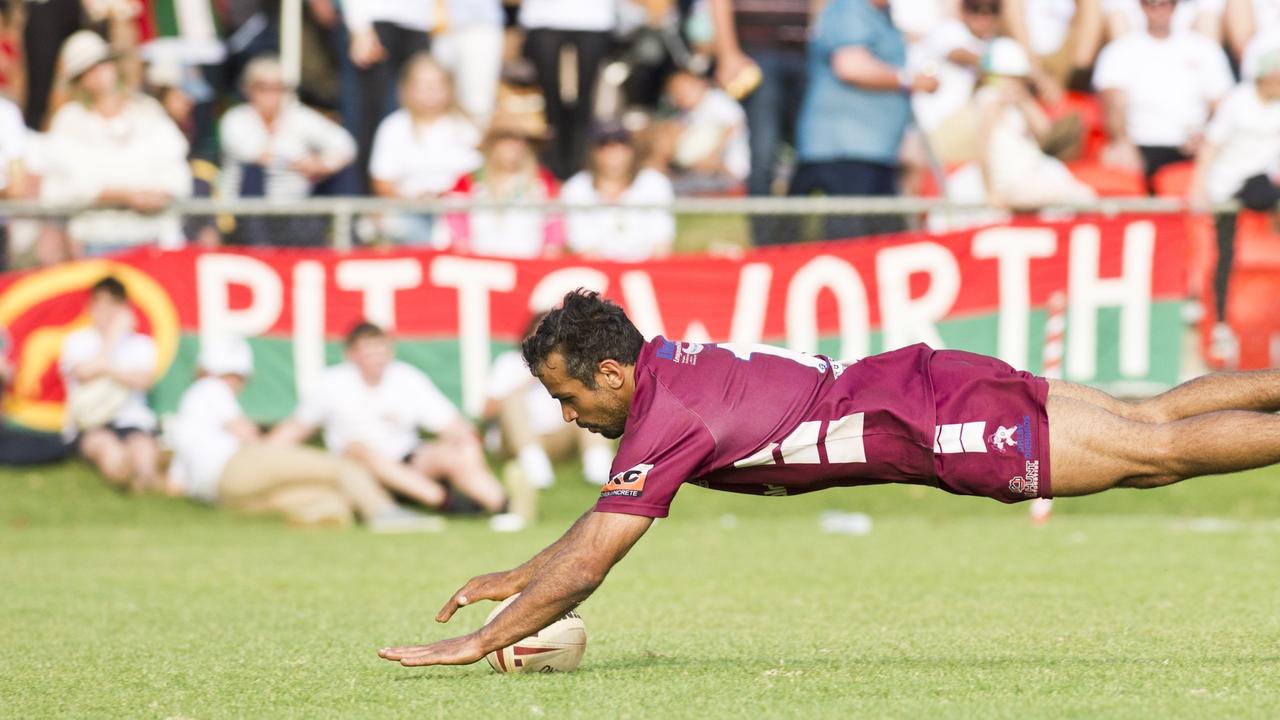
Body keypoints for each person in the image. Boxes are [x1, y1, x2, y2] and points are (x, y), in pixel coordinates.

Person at [378, 288, 1280, 666]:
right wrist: (517, 575)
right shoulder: (667, 366)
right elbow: (594, 525)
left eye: (568, 396)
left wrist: (472, 643)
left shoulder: (666, 416)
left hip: (939, 427)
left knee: (1157, 454)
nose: (568, 415)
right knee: (1153, 421)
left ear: (610, 374)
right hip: (932, 379)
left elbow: (594, 561)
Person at [168, 336, 442, 531]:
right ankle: (383, 513)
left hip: (216, 492)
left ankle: (331, 514)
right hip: (235, 464)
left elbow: (175, 483)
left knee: (329, 498)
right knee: (341, 467)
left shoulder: (187, 413)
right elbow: (247, 435)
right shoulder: (211, 389)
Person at [268, 322, 508, 519]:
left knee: (458, 447)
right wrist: (261, 452)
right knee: (358, 448)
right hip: (359, 470)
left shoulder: (407, 378)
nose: (376, 357)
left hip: (410, 462)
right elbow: (297, 427)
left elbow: (452, 425)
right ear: (351, 354)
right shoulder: (332, 383)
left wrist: (467, 443)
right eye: (368, 350)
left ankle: (502, 505)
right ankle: (446, 502)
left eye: (380, 349)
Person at [790, 0, 938, 240]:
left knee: (884, 247)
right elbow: (850, 66)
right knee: (847, 246)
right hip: (844, 153)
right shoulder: (849, 8)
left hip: (874, 154)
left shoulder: (880, 15)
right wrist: (909, 80)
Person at [41, 31, 192, 255]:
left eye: (102, 64)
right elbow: (63, 188)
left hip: (153, 237)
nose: (99, 74)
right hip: (99, 240)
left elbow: (176, 172)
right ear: (79, 81)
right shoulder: (70, 122)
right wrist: (122, 196)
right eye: (89, 70)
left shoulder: (146, 111)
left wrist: (159, 194)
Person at [1190, 49, 1280, 369]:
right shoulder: (1238, 102)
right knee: (1223, 255)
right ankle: (1221, 323)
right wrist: (1199, 186)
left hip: (1262, 181)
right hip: (1230, 184)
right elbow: (1212, 145)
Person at [1093, 0, 1234, 193]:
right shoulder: (1120, 50)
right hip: (1141, 144)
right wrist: (1122, 141)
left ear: (1175, 6)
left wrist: (1207, 137)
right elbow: (1113, 104)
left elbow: (1223, 106)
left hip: (1192, 145)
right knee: (1115, 159)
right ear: (1141, 7)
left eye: (1164, 4)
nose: (1158, 11)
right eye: (1151, 5)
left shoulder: (1204, 48)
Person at [220, 55, 356, 247]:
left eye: (278, 88)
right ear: (248, 89)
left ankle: (346, 240)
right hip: (247, 213)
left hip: (296, 211)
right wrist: (299, 162)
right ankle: (259, 249)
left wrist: (322, 164)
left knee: (342, 172)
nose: (271, 95)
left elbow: (345, 144)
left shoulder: (298, 116)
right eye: (264, 87)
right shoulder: (235, 119)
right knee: (253, 172)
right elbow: (257, 154)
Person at [708, 0, 812, 245]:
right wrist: (728, 52)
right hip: (757, 52)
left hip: (801, 51)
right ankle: (766, 245)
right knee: (763, 155)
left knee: (807, 155)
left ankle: (792, 239)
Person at [482, 313, 615, 492]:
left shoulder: (570, 364)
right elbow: (487, 412)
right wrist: (532, 377)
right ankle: (536, 471)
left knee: (590, 397)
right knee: (511, 400)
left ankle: (599, 469)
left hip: (558, 437)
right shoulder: (509, 363)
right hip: (515, 440)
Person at [58, 276, 161, 492]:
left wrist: (105, 368)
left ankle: (147, 484)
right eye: (100, 303)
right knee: (109, 450)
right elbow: (83, 374)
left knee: (143, 451)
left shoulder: (142, 344)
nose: (105, 311)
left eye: (112, 304)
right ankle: (127, 482)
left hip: (132, 422)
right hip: (91, 424)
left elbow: (144, 381)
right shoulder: (76, 341)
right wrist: (113, 338)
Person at [369, 53, 482, 245]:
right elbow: (381, 181)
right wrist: (414, 199)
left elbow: (479, 175)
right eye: (422, 85)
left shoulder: (465, 126)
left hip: (457, 212)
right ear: (407, 88)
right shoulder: (394, 126)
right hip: (407, 212)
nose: (430, 91)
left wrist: (446, 195)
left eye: (437, 84)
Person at [971, 38, 1096, 209]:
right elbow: (982, 147)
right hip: (1011, 182)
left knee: (1079, 194)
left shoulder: (1019, 104)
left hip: (1029, 174)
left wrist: (1024, 100)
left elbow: (1045, 133)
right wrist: (990, 191)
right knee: (1082, 197)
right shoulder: (989, 99)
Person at [434, 109, 564, 259]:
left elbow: (554, 232)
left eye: (522, 140)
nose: (515, 146)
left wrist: (548, 255)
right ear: (493, 144)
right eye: (507, 139)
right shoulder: (468, 181)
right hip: (480, 265)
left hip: (529, 265)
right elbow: (455, 228)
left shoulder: (543, 181)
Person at [341, 0, 437, 192]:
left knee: (421, 114)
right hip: (377, 19)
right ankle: (366, 202)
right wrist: (358, 25)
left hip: (420, 22)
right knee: (370, 118)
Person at [519, 0, 617, 178]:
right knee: (550, 105)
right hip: (543, 17)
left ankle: (580, 168)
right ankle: (552, 170)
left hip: (593, 18)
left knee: (585, 104)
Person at [562, 120, 675, 261]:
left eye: (622, 142)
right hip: (598, 273)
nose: (614, 150)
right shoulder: (576, 188)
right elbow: (583, 245)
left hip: (647, 270)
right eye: (603, 144)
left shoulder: (655, 183)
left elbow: (661, 242)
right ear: (592, 151)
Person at [649, 68, 750, 195]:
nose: (680, 96)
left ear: (701, 84)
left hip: (727, 174)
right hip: (697, 175)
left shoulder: (716, 100)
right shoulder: (684, 115)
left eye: (684, 89)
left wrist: (713, 156)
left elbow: (735, 124)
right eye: (675, 93)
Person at [432, 0, 504, 125]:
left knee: (477, 102)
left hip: (478, 22)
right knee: (433, 96)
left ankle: (473, 142)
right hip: (433, 23)